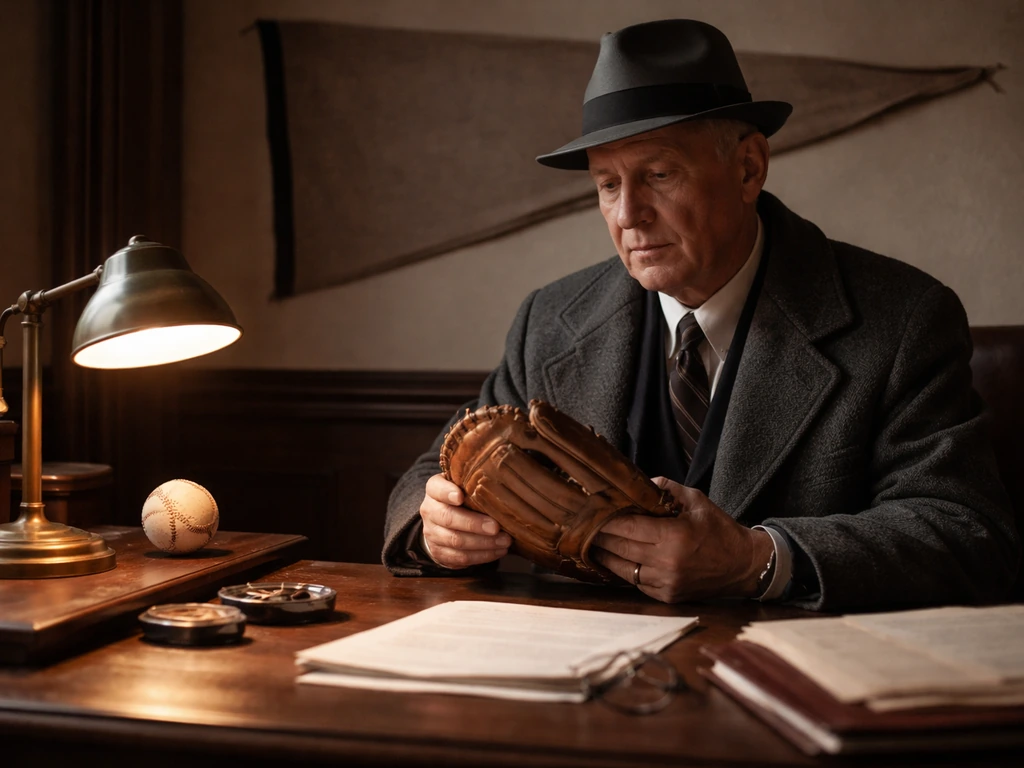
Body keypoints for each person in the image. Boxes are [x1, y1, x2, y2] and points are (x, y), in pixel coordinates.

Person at [382, 19, 1019, 611]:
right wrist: (438, 527)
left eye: (659, 174)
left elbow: (968, 534)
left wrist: (757, 561)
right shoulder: (549, 318)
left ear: (748, 168)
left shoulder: (903, 318)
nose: (628, 215)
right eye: (608, 184)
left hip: (788, 675)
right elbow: (430, 474)